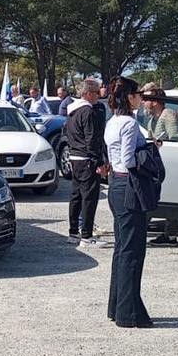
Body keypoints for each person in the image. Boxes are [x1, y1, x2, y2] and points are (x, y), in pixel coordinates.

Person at [105, 76, 158, 329]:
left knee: (122, 249)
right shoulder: (129, 123)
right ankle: (129, 313)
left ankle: (118, 307)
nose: (140, 97)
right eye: (137, 93)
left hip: (116, 185)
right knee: (132, 251)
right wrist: (148, 152)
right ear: (129, 96)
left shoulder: (112, 121)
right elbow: (128, 160)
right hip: (128, 186)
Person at [64, 78, 108, 248]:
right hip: (86, 158)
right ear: (88, 94)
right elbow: (92, 138)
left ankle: (73, 232)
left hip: (75, 157)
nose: (99, 96)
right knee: (89, 198)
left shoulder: (72, 111)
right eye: (97, 92)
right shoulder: (88, 112)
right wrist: (98, 161)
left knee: (76, 196)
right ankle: (87, 236)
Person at [142, 86, 178, 245]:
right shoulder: (153, 119)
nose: (144, 103)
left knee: (169, 197)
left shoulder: (168, 116)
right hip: (156, 163)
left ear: (155, 102)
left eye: (146, 100)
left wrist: (161, 144)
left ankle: (170, 235)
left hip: (169, 162)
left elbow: (175, 138)